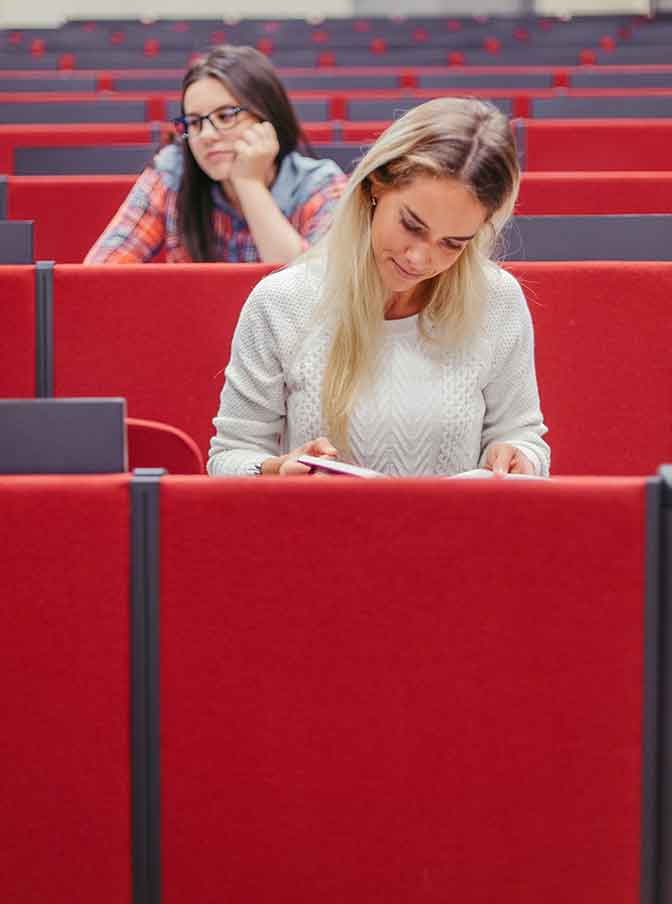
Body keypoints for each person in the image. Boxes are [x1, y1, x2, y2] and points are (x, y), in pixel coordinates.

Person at [207, 97, 550, 478]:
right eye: (412, 225)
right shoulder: (282, 302)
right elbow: (230, 455)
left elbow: (523, 435)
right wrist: (278, 470)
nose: (420, 259)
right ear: (375, 188)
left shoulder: (496, 300)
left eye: (453, 243)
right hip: (318, 533)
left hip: (455, 534)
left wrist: (518, 456)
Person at [84, 45, 346, 264]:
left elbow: (310, 295)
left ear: (268, 117)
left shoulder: (320, 185)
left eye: (225, 116)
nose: (206, 135)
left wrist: (249, 183)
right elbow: (99, 275)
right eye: (194, 122)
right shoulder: (171, 173)